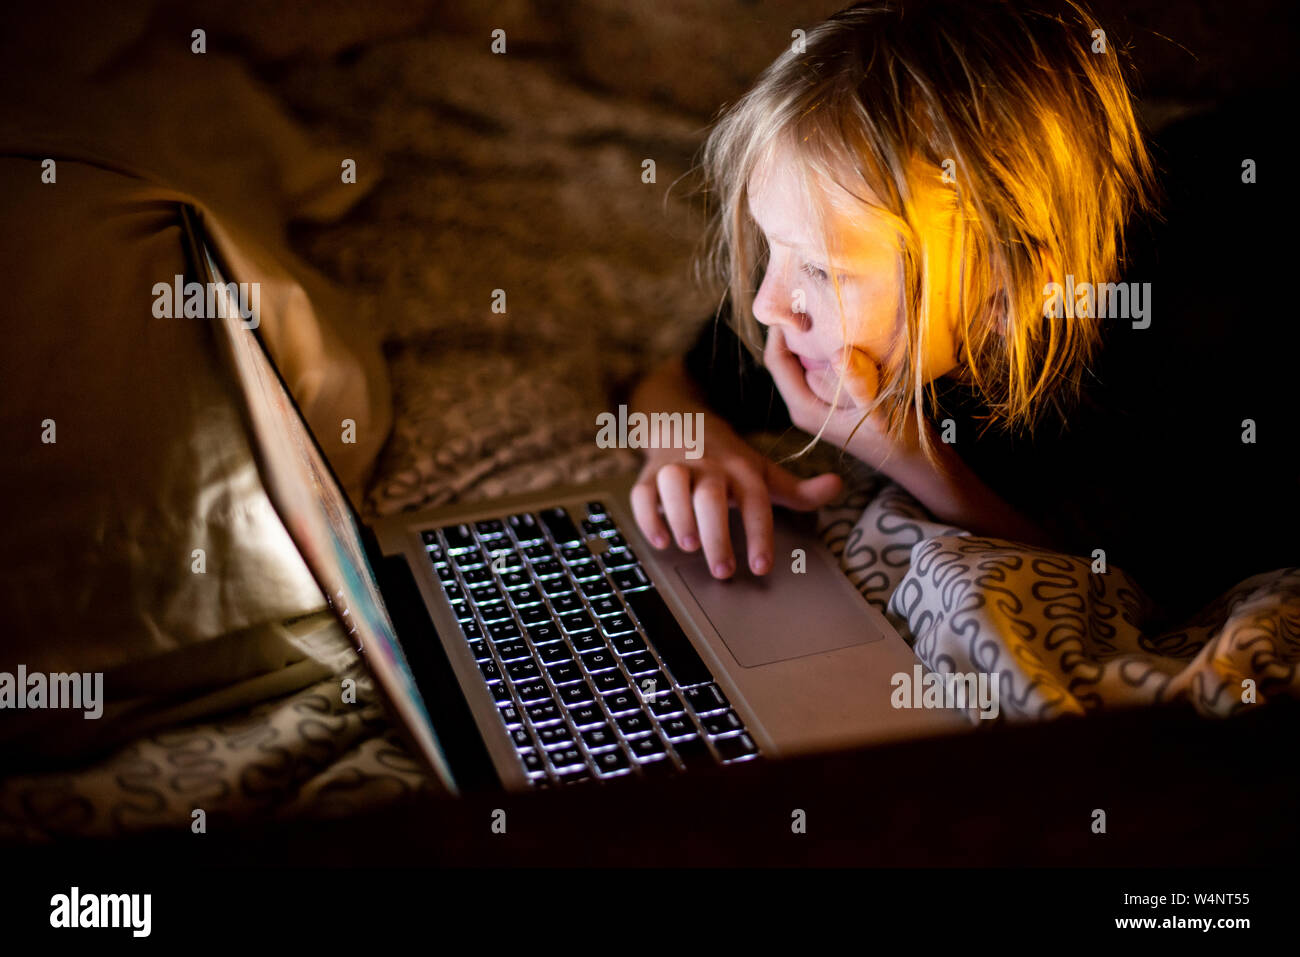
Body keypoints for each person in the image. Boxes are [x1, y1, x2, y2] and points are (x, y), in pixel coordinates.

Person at [626, 0, 1296, 625]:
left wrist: (902, 450)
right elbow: (669, 384)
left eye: (822, 270)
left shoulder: (1168, 370)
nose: (771, 304)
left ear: (1001, 294)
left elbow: (1137, 582)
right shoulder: (814, 317)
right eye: (773, 245)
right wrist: (694, 444)